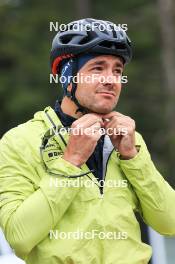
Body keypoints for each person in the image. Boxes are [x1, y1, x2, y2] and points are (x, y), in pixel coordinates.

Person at [0, 18, 175, 264]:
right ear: (67, 75)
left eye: (117, 70)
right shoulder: (19, 141)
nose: (111, 79)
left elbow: (169, 223)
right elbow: (19, 236)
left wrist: (132, 159)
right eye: (97, 68)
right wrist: (71, 161)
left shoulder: (129, 138)